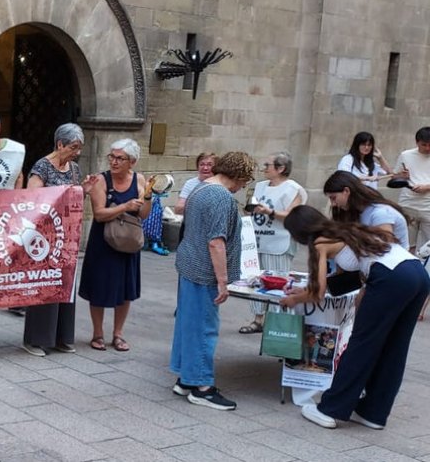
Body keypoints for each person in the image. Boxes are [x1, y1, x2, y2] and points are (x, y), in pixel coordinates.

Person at [281, 206, 430, 430]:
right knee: (394, 348)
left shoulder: (320, 243)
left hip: (390, 278)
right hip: (417, 274)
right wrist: (303, 291)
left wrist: (294, 300)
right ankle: (373, 412)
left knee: (361, 346)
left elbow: (318, 293)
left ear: (300, 232)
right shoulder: (345, 230)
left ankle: (330, 410)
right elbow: (350, 279)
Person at [169, 151, 256, 411]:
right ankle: (201, 386)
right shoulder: (220, 196)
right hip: (203, 270)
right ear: (239, 176)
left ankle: (186, 378)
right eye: (246, 180)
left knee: (188, 323)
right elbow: (216, 241)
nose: (244, 186)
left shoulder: (201, 188)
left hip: (189, 264)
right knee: (204, 327)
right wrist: (223, 281)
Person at [21, 123, 98, 357]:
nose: (77, 152)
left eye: (79, 148)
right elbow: (32, 200)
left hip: (67, 236)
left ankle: (62, 336)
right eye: (73, 147)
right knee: (45, 283)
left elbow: (72, 199)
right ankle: (36, 339)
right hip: (44, 237)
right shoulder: (41, 167)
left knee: (65, 283)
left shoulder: (73, 168)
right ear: (60, 144)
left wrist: (83, 190)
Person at [78, 138, 150, 353]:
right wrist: (125, 206)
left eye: (120, 158)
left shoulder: (140, 180)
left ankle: (118, 334)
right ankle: (97, 333)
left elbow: (143, 214)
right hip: (103, 240)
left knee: (125, 289)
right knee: (99, 286)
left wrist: (148, 197)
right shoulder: (101, 180)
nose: (115, 162)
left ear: (132, 162)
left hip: (128, 241)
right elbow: (99, 214)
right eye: (112, 157)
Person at [239, 152, 305, 334]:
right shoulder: (260, 186)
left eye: (267, 165)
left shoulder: (293, 189)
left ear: (280, 168)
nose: (264, 169)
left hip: (280, 241)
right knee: (256, 280)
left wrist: (270, 212)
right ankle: (257, 319)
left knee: (278, 281)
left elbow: (293, 214)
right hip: (258, 239)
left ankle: (275, 321)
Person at [324, 171, 410, 249]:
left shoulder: (380, 213)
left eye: (333, 198)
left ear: (346, 191)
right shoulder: (357, 211)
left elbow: (386, 250)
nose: (333, 204)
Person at [393, 127, 430, 250]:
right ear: (417, 142)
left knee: (427, 246)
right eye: (424, 145)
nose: (427, 148)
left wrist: (427, 187)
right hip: (408, 203)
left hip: (428, 206)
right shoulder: (406, 155)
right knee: (406, 244)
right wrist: (402, 176)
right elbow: (395, 176)